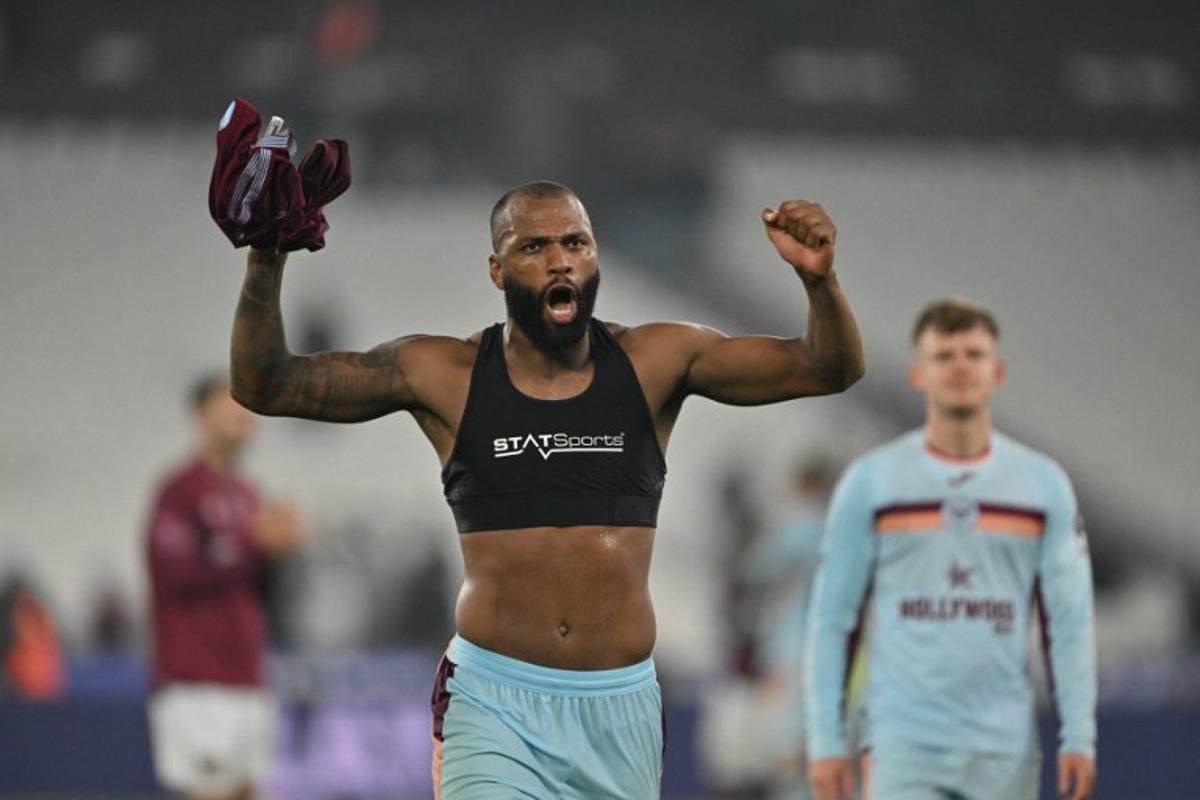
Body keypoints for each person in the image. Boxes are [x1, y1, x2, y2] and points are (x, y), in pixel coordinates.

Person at [229, 180, 864, 799]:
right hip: (493, 702)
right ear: (497, 270)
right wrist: (266, 257)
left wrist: (819, 281)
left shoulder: (656, 361)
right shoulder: (445, 374)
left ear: (595, 257)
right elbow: (268, 385)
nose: (560, 259)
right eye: (533, 247)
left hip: (619, 709)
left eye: (575, 243)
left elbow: (826, 367)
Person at [804, 299, 1097, 800]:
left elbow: (1068, 622)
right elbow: (833, 619)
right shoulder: (871, 483)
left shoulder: (1043, 485)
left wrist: (1079, 736)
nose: (960, 366)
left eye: (974, 354)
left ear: (998, 371)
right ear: (918, 375)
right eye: (944, 355)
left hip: (1003, 750)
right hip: (900, 747)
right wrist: (825, 742)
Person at [145, 375, 301, 800]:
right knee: (210, 791)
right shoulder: (179, 493)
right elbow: (175, 575)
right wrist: (254, 543)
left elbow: (258, 588)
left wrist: (280, 552)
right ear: (201, 415)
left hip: (246, 675)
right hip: (198, 680)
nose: (243, 414)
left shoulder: (248, 496)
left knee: (247, 791)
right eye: (230, 404)